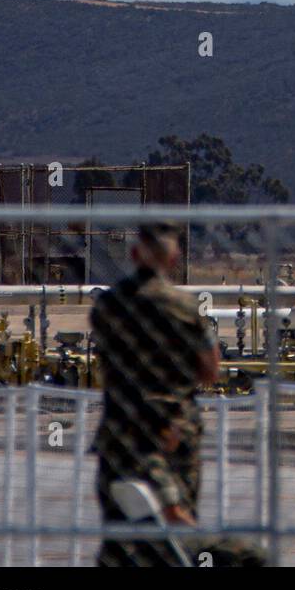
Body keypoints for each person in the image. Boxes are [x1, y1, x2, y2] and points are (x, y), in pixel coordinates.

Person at [90, 223, 221, 566]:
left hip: (121, 427)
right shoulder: (186, 308)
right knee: (175, 533)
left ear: (134, 255)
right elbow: (210, 370)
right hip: (173, 429)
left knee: (119, 532)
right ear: (174, 258)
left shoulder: (108, 306)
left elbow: (104, 360)